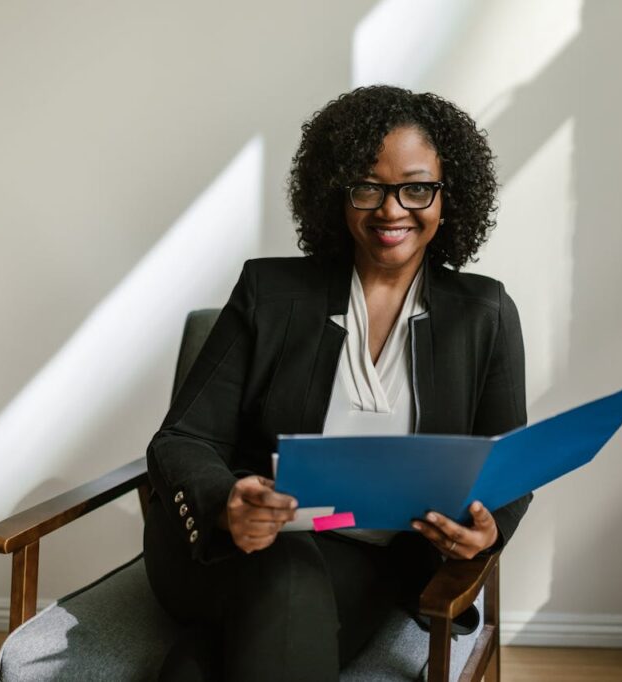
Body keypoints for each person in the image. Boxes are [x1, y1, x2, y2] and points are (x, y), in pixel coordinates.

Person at [143, 84, 529, 682]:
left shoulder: (485, 313)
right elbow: (183, 439)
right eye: (368, 186)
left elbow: (509, 464)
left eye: (416, 187)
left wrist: (487, 528)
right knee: (287, 573)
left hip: (372, 560)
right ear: (338, 194)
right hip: (234, 548)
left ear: (448, 199)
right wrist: (227, 503)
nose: (392, 209)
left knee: (200, 665)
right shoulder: (269, 293)